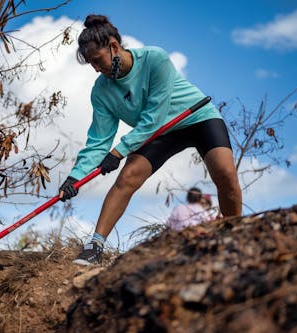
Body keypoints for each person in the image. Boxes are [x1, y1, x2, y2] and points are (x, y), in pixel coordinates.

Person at [58, 14, 242, 265]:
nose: (95, 69)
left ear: (113, 47)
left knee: (225, 173)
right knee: (127, 177)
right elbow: (99, 139)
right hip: (160, 132)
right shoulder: (101, 91)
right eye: (90, 63)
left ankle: (235, 234)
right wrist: (75, 177)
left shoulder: (155, 58)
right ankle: (94, 247)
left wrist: (118, 152)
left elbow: (153, 117)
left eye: (97, 60)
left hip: (196, 117)